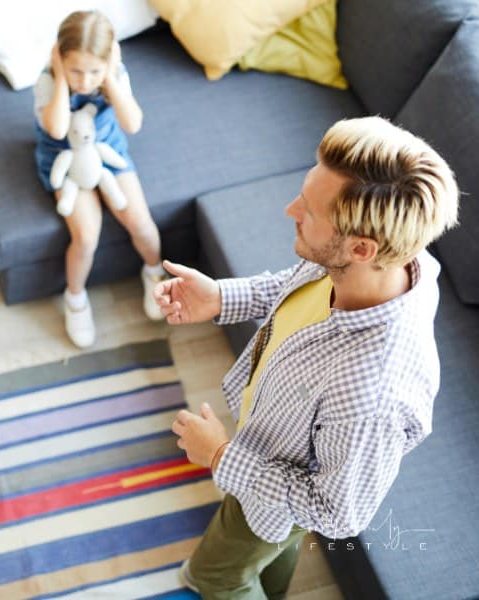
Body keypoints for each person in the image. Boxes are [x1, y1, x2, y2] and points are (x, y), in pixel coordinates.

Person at [153, 116, 459, 599]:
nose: (290, 209)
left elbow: (338, 513)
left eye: (310, 210)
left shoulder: (372, 393)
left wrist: (220, 455)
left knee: (216, 575)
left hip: (267, 491)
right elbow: (290, 287)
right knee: (271, 552)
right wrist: (219, 297)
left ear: (361, 247)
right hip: (270, 457)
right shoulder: (364, 265)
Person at [34, 10, 166, 349]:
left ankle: (153, 272)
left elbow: (133, 123)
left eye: (93, 71)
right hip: (64, 161)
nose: (84, 81)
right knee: (87, 237)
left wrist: (109, 76)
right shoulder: (49, 81)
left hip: (107, 155)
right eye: (75, 70)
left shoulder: (113, 75)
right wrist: (61, 77)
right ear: (60, 59)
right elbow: (58, 128)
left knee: (141, 222)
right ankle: (75, 298)